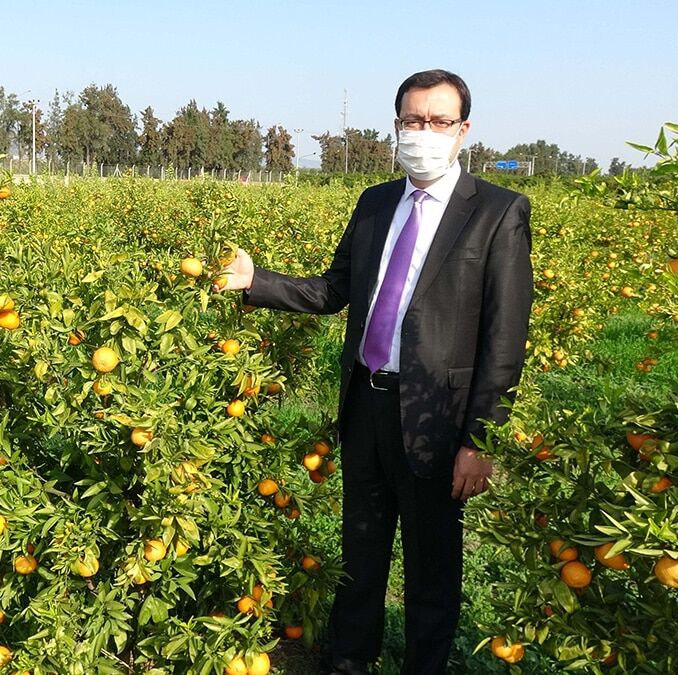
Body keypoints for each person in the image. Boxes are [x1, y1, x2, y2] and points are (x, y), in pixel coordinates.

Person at [218, 70, 533, 674]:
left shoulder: (498, 212)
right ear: (396, 125)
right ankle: (350, 658)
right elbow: (338, 289)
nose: (424, 133)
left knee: (431, 560)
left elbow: (504, 340)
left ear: (463, 130)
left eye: (439, 121)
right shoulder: (376, 202)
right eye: (413, 120)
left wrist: (481, 439)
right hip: (366, 402)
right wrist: (257, 282)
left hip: (436, 417)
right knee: (360, 545)